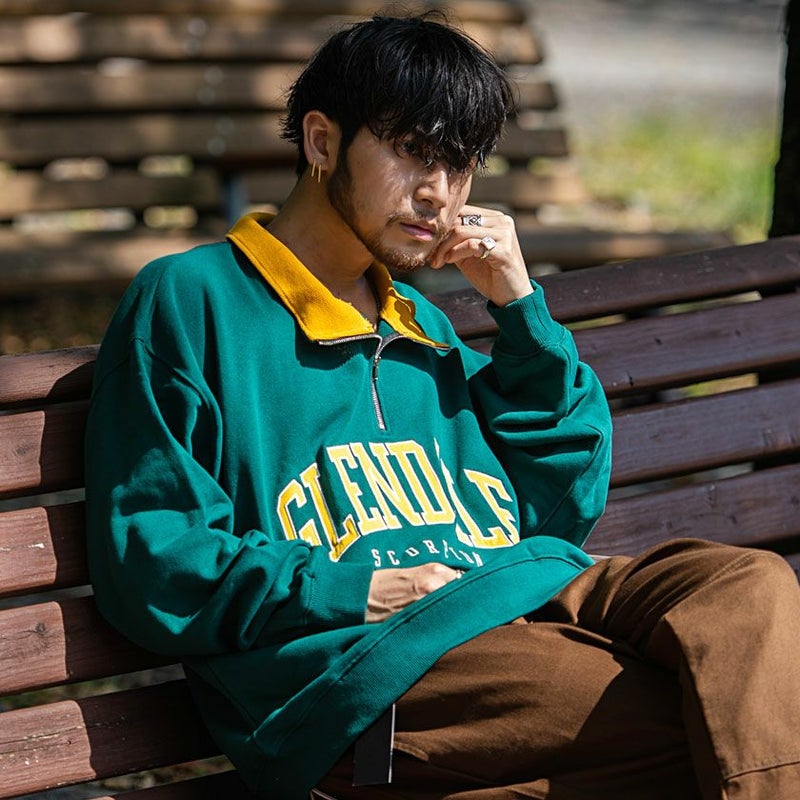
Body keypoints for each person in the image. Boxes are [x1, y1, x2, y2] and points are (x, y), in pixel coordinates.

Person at [84, 13, 800, 800]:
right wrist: (357, 589)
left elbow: (557, 507)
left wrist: (521, 312)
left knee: (749, 590)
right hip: (372, 668)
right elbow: (153, 554)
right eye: (411, 151)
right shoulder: (194, 301)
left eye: (459, 164)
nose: (439, 193)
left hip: (518, 593)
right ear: (321, 142)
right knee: (726, 711)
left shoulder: (417, 321)